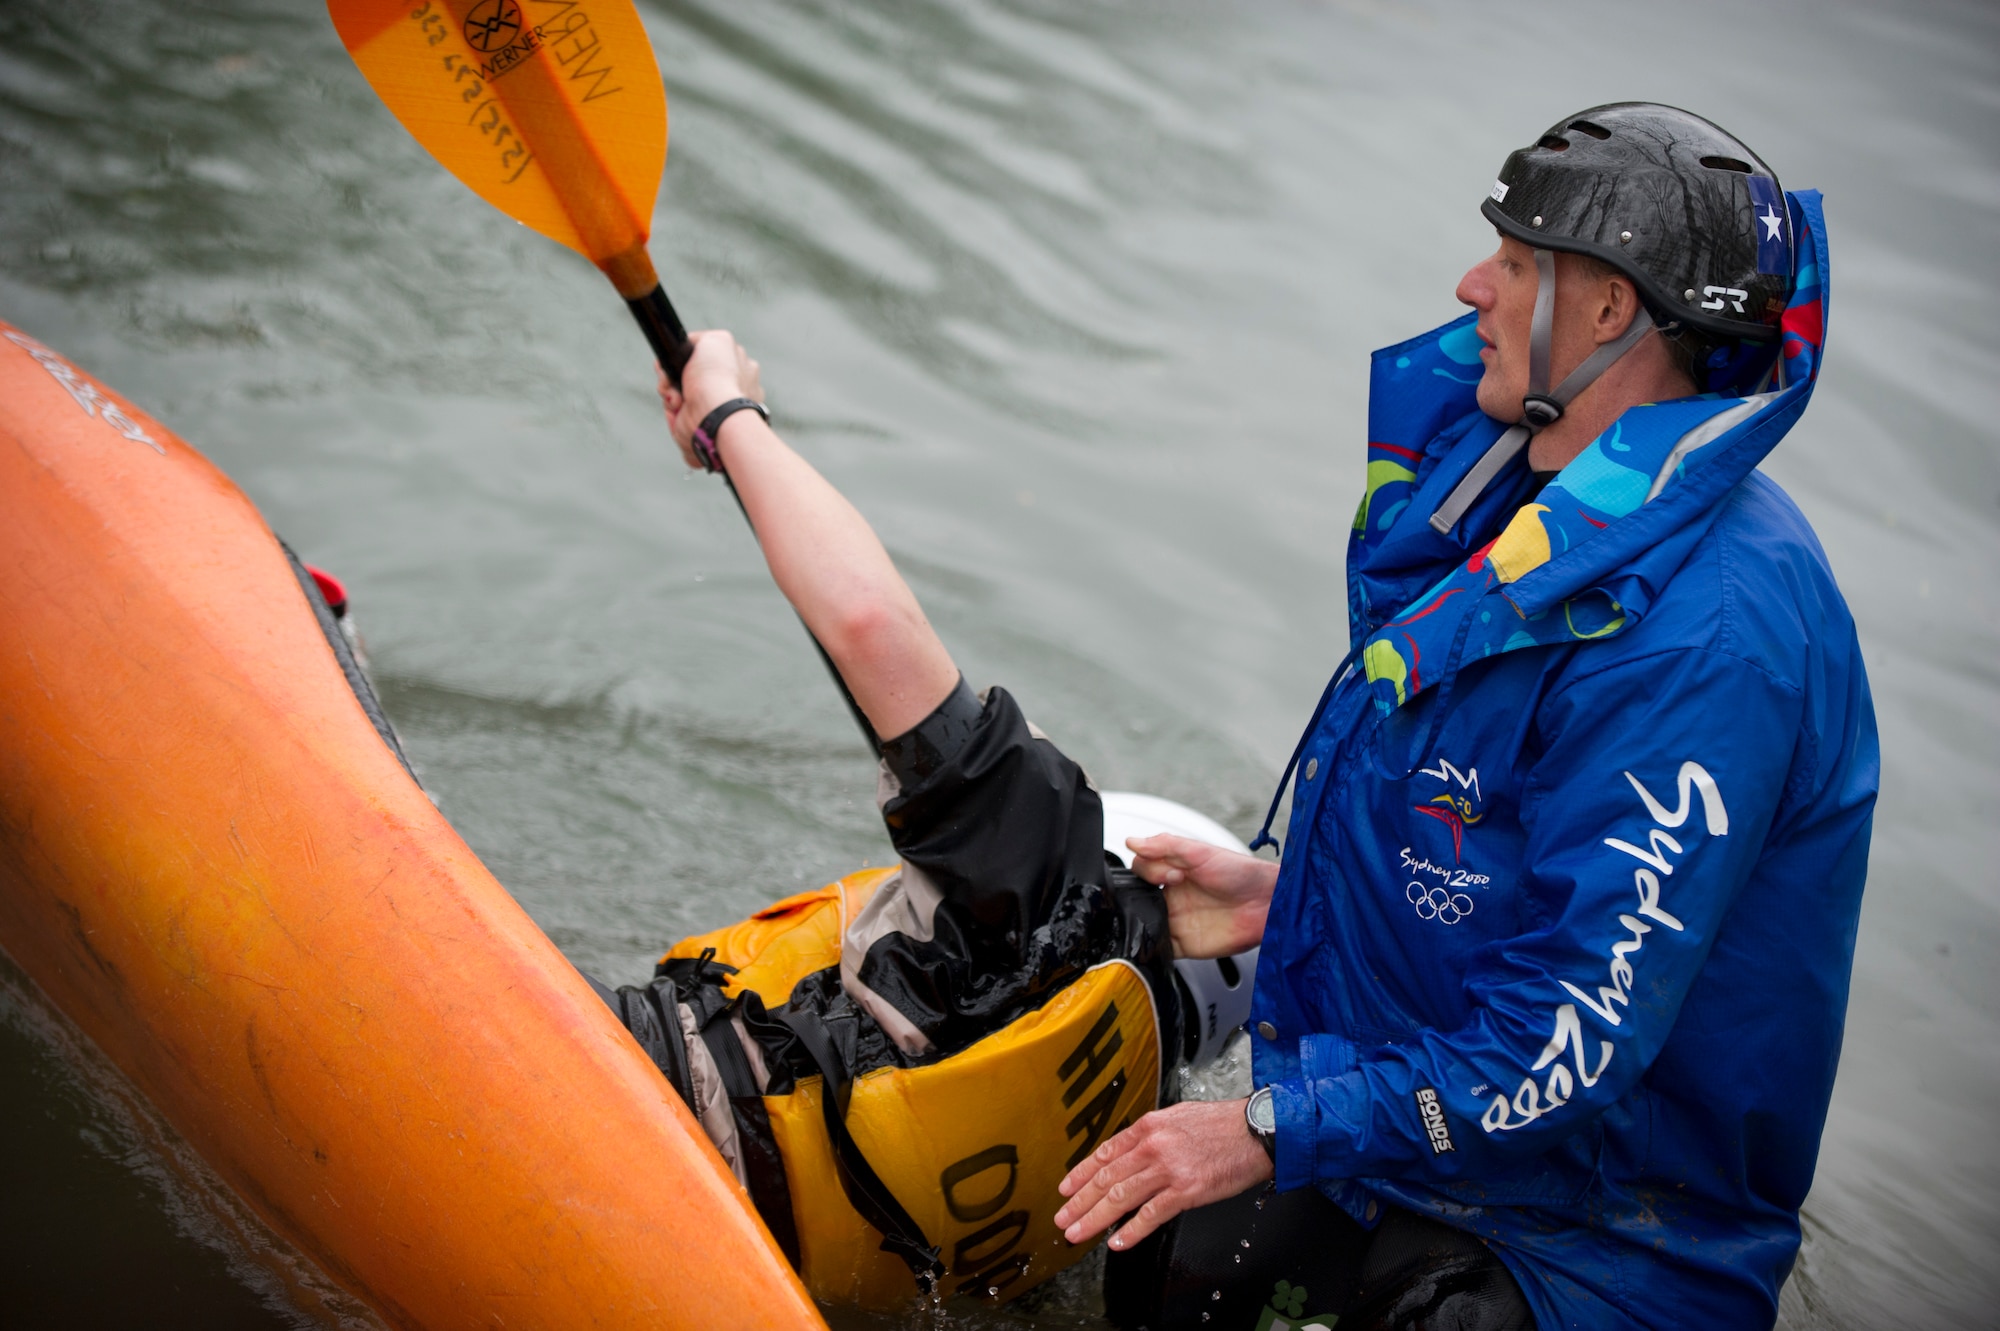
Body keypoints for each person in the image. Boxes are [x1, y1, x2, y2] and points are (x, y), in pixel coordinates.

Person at [1054, 103, 1878, 1331]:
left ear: (1605, 309)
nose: (1469, 285)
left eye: (1509, 260)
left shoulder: (1709, 640)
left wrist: (1269, 1124)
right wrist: (1287, 895)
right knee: (1170, 1249)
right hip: (1454, 1157)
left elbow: (1568, 1040)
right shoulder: (1533, 505)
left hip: (1607, 1236)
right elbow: (1491, 841)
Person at [587, 329, 1252, 1307]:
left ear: (1139, 856)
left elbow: (867, 623)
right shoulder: (1104, 1192)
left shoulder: (1053, 883)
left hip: (647, 1106)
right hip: (734, 1270)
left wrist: (732, 415)